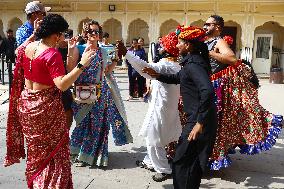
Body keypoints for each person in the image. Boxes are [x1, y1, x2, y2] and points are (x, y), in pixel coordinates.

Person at [4, 13, 95, 189]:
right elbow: (61, 84)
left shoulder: (28, 47)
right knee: (54, 154)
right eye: (63, 34)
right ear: (56, 35)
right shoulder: (51, 54)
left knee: (36, 152)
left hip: (27, 105)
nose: (64, 37)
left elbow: (17, 51)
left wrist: (68, 52)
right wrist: (82, 64)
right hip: (46, 109)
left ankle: (36, 181)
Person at [203, 15, 283, 170]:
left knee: (214, 124)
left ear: (218, 27)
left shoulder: (218, 41)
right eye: (204, 24)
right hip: (200, 84)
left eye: (208, 24)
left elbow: (232, 58)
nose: (204, 26)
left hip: (212, 87)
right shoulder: (204, 41)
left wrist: (210, 53)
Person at [143, 26, 218, 189]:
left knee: (182, 161)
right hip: (200, 118)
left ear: (189, 45)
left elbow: (208, 91)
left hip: (199, 120)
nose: (177, 46)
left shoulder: (193, 65)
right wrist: (157, 75)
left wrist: (200, 123)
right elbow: (179, 78)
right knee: (190, 161)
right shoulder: (191, 62)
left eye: (180, 42)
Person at [117, 32, 182, 182]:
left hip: (160, 108)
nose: (159, 46)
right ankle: (149, 161)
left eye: (162, 45)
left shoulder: (165, 65)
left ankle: (164, 170)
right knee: (156, 135)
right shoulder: (176, 65)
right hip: (167, 107)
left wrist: (127, 53)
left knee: (154, 139)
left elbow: (144, 68)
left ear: (167, 49)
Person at [67, 20, 133, 167]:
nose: (94, 34)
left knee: (99, 126)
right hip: (82, 94)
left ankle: (96, 156)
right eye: (91, 31)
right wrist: (71, 52)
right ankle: (78, 153)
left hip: (99, 94)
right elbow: (70, 69)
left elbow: (107, 71)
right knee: (82, 124)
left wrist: (115, 59)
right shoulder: (79, 48)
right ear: (85, 33)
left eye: (97, 31)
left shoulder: (103, 50)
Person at [57, 29, 74, 128]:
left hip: (65, 83)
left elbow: (69, 67)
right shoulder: (53, 48)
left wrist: (70, 49)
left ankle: (65, 135)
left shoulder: (71, 47)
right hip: (53, 84)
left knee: (68, 110)